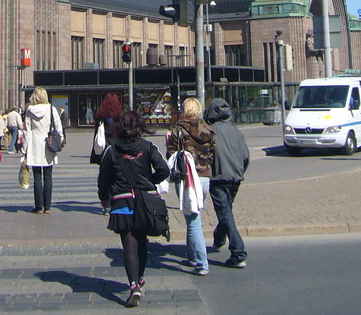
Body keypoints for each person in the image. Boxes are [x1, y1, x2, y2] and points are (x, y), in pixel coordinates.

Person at [98, 109, 169, 308]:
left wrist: (104, 198)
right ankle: (140, 277)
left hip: (122, 203)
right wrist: (149, 182)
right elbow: (164, 169)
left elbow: (103, 178)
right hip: (145, 204)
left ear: (120, 127)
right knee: (142, 242)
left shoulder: (111, 150)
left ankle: (133, 286)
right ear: (140, 127)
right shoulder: (148, 147)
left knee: (128, 244)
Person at [166, 97, 215, 276]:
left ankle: (202, 263)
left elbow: (170, 154)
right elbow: (212, 154)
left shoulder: (179, 130)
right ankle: (192, 255)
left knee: (194, 220)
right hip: (204, 178)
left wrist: (168, 143)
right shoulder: (209, 130)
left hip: (187, 179)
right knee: (192, 216)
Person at [205, 97, 249, 269]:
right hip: (235, 178)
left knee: (225, 214)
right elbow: (245, 156)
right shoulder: (236, 131)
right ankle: (219, 237)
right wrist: (239, 170)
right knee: (226, 212)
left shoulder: (210, 131)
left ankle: (238, 253)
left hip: (218, 178)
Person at [22, 87, 64, 213]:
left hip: (34, 144)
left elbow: (27, 131)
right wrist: (60, 140)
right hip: (48, 144)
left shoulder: (29, 110)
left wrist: (24, 149)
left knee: (37, 176)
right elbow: (58, 126)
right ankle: (48, 207)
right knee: (48, 176)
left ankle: (39, 206)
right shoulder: (51, 109)